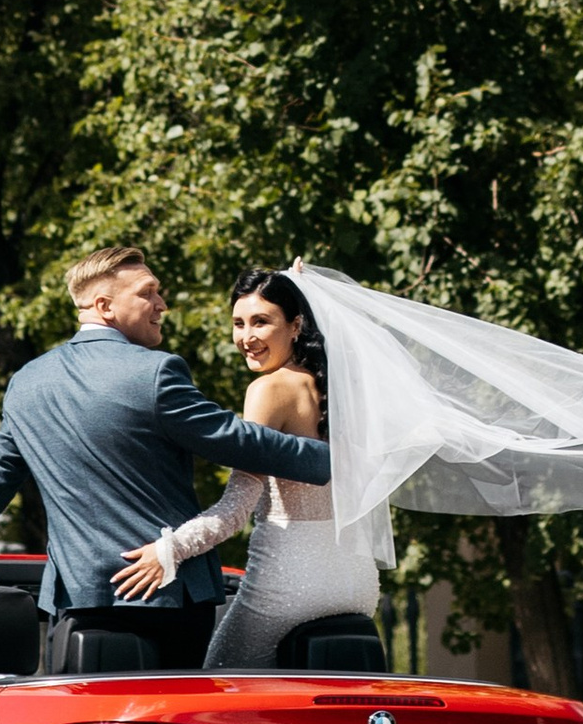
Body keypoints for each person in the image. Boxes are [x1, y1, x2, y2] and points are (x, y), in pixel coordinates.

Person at [0, 242, 335, 641]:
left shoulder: (27, 383)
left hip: (77, 607)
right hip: (170, 603)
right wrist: (338, 460)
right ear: (105, 305)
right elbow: (237, 441)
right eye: (148, 293)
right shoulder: (156, 373)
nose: (162, 304)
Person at [107, 268, 382, 667]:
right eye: (238, 323)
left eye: (261, 322)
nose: (246, 338)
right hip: (357, 583)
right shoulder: (340, 387)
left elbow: (237, 508)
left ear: (296, 325)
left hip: (291, 583)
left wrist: (168, 551)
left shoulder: (269, 389)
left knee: (217, 686)